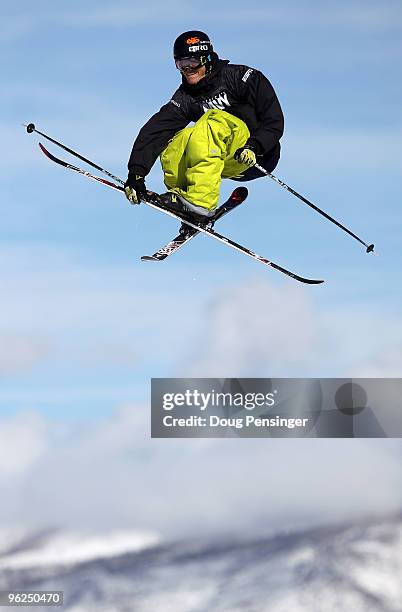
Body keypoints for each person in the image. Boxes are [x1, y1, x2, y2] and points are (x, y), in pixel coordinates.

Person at [124, 30, 284, 223]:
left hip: (257, 154)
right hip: (225, 160)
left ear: (207, 59)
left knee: (212, 121)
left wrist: (255, 145)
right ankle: (186, 204)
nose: (188, 70)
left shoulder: (241, 78)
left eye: (192, 63)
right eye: (181, 65)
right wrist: (136, 173)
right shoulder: (186, 98)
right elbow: (155, 130)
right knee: (175, 141)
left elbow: (273, 120)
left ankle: (199, 203)